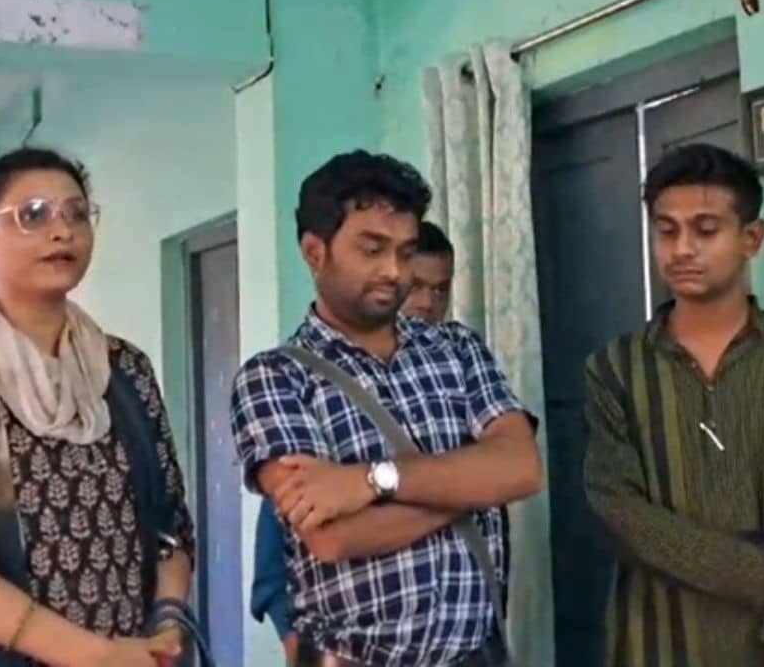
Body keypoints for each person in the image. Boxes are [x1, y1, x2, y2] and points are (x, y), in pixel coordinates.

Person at [0, 148, 197, 667]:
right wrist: (94, 656)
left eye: (76, 214)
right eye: (33, 215)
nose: (62, 231)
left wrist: (166, 622)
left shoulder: (125, 369)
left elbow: (170, 526)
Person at [231, 150, 541, 666]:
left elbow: (522, 468)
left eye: (405, 251)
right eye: (372, 249)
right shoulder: (275, 377)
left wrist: (368, 481)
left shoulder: (457, 348)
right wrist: (473, 486)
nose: (394, 271)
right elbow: (332, 538)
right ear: (314, 252)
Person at [583, 143, 764, 667]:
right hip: (655, 645)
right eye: (667, 231)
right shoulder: (616, 369)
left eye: (705, 230)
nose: (682, 249)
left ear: (751, 239)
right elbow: (621, 514)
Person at [248, 219, 459, 661]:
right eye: (416, 287)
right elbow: (286, 540)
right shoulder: (317, 389)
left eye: (440, 290)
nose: (426, 303)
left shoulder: (455, 383)